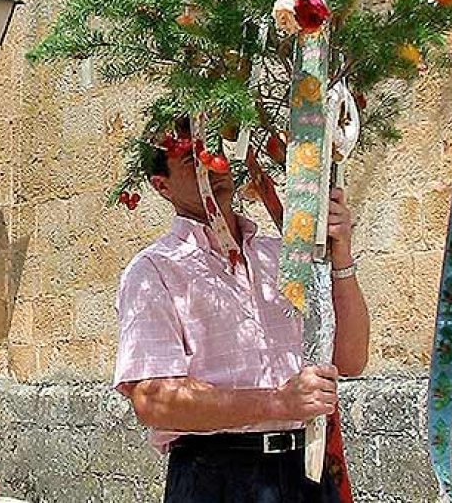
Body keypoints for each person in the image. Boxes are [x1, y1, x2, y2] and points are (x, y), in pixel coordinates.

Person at [113, 126, 370, 503]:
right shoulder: (154, 271)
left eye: (214, 153)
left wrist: (342, 254)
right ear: (161, 186)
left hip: (308, 474)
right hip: (217, 477)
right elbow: (154, 400)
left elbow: (350, 359)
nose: (213, 168)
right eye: (192, 161)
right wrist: (277, 403)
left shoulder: (281, 255)